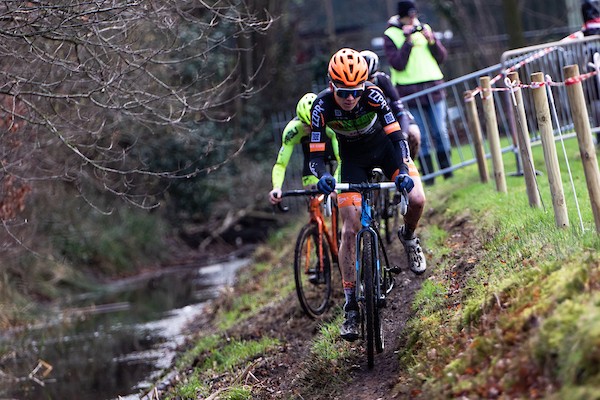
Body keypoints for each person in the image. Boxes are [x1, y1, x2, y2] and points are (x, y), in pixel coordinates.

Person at [309, 48, 426, 341]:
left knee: (417, 200)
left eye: (356, 91)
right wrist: (322, 176)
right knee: (349, 230)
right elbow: (316, 155)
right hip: (354, 162)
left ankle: (409, 237)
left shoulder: (374, 95)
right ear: (331, 84)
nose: (350, 98)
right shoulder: (321, 107)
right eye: (343, 91)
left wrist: (401, 169)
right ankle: (350, 304)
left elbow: (398, 138)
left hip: (386, 152)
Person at [383, 0, 453, 185]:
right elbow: (397, 63)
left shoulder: (424, 28)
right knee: (419, 135)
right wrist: (407, 42)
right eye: (409, 16)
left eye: (414, 15)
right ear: (401, 16)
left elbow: (442, 57)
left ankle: (448, 172)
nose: (412, 20)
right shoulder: (391, 35)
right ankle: (429, 176)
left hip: (433, 88)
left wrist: (432, 40)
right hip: (409, 92)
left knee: (440, 131)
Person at [268, 93, 340, 205]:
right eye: (306, 125)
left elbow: (342, 161)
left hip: (331, 150)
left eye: (313, 125)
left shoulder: (331, 126)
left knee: (340, 195)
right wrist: (276, 187)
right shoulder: (292, 131)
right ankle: (315, 215)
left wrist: (336, 186)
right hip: (311, 156)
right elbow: (281, 164)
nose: (311, 129)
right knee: (313, 196)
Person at [360, 49, 421, 158]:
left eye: (371, 79)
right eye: (364, 81)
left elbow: (400, 109)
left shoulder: (383, 80)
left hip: (390, 117)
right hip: (369, 124)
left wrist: (403, 135)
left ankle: (407, 163)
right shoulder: (353, 90)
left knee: (413, 133)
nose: (368, 84)